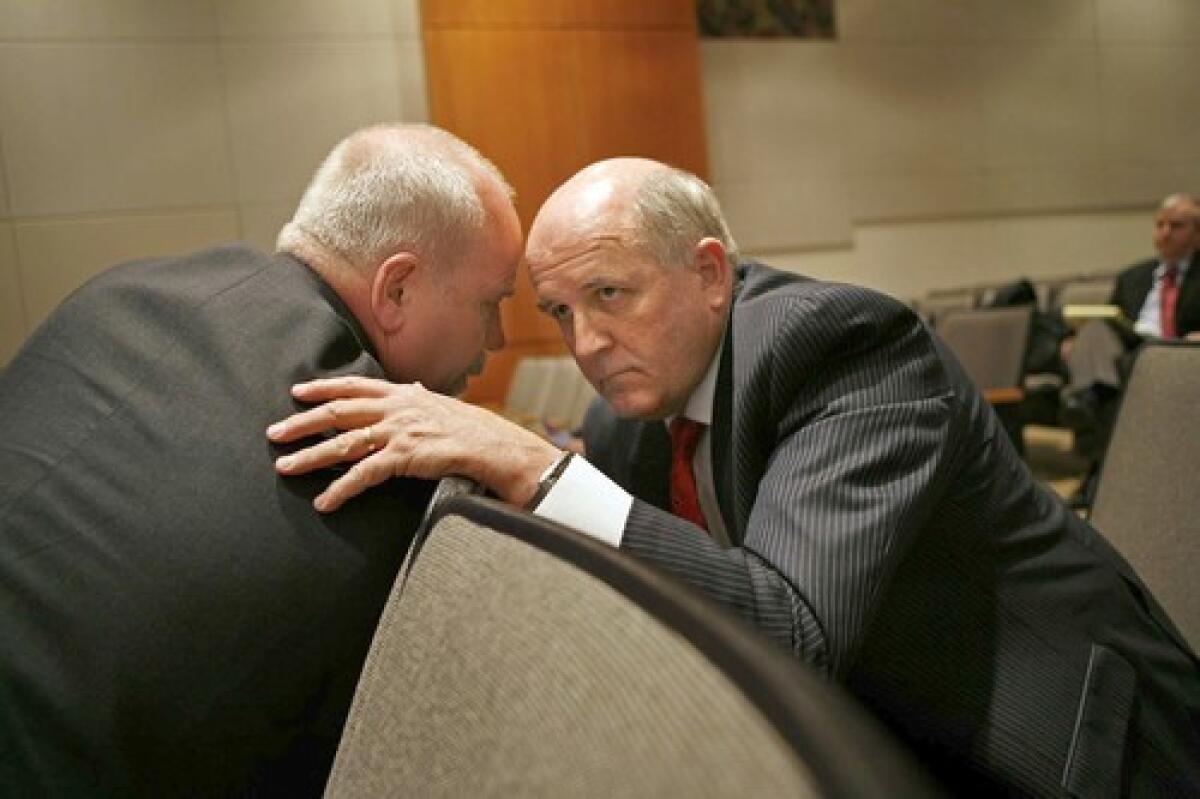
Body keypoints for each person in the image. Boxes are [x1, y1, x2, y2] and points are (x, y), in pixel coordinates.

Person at [269, 158, 1200, 795]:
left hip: (1063, 744)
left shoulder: (847, 348)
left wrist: (531, 464)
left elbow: (789, 628)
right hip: (868, 714)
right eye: (559, 310)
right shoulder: (633, 405)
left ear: (710, 272)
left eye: (610, 294)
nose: (587, 344)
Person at [0, 124, 522, 795]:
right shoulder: (378, 462)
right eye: (493, 302)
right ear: (396, 291)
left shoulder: (115, 294)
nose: (500, 338)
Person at [1060, 193, 1200, 503]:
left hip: (1177, 354)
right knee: (1093, 332)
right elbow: (1115, 320)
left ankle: (1088, 406)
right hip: (1131, 350)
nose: (1164, 233)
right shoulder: (1133, 277)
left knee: (1113, 383)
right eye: (1159, 225)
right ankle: (1090, 392)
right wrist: (1078, 343)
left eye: (1176, 226)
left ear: (1197, 233)